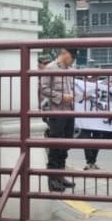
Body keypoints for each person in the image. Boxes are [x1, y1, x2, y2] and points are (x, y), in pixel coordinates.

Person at [39, 48, 77, 191]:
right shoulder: (51, 68)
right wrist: (61, 97)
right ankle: (52, 178)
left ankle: (60, 175)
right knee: (56, 145)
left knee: (66, 144)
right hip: (56, 111)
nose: (72, 61)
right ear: (65, 54)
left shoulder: (70, 70)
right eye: (72, 57)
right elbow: (44, 88)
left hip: (69, 111)